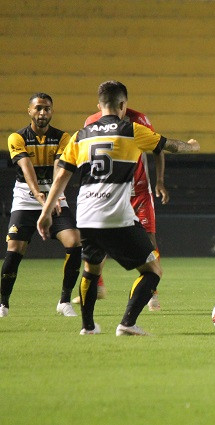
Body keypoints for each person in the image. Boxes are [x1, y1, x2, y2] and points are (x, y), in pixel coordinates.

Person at [37, 81, 199, 335]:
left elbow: (61, 178)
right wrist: (192, 145)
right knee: (153, 270)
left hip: (86, 215)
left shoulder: (81, 134)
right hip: (116, 215)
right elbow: (170, 146)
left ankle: (88, 327)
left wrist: (46, 212)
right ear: (123, 105)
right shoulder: (131, 130)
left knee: (91, 270)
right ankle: (127, 323)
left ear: (99, 106)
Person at [71, 108, 169, 311]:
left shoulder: (139, 119)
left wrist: (159, 181)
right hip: (109, 192)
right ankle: (96, 287)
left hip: (138, 191)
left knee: (148, 240)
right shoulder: (91, 121)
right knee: (101, 237)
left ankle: (151, 292)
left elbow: (158, 148)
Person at [1, 93, 81, 318]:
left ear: (52, 111)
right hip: (27, 199)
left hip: (54, 198)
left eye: (47, 109)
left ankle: (64, 301)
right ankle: (3, 304)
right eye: (38, 109)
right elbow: (27, 171)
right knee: (15, 249)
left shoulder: (63, 138)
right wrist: (41, 198)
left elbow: (59, 169)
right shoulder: (17, 137)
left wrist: (53, 198)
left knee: (75, 242)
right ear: (29, 111)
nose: (42, 113)